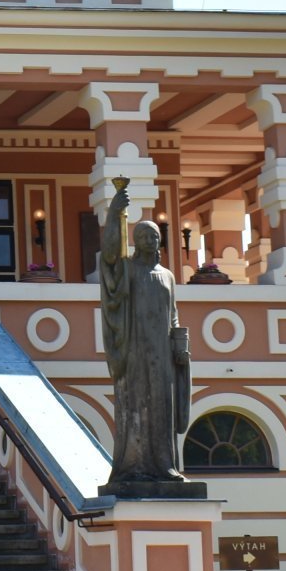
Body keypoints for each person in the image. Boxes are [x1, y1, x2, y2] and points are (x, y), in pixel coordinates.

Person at [98, 179, 193, 492]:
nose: (150, 240)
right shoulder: (127, 270)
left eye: (154, 235)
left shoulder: (167, 275)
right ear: (135, 241)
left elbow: (173, 313)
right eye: (143, 236)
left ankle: (165, 466)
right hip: (136, 349)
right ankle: (135, 466)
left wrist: (180, 346)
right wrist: (116, 212)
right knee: (137, 407)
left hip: (162, 353)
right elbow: (110, 257)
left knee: (162, 409)